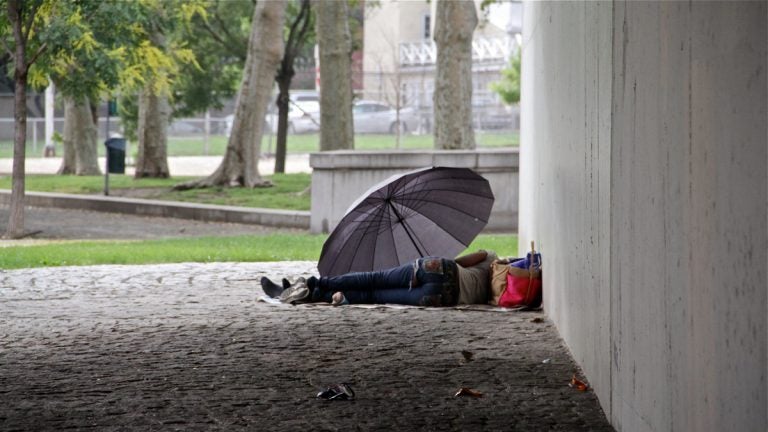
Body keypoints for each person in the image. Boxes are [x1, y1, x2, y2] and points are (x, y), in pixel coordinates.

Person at [261, 250, 498, 307]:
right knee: (376, 295)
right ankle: (314, 296)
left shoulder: (493, 259)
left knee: (373, 278)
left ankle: (311, 285)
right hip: (441, 297)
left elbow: (464, 261)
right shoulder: (499, 297)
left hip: (437, 269)